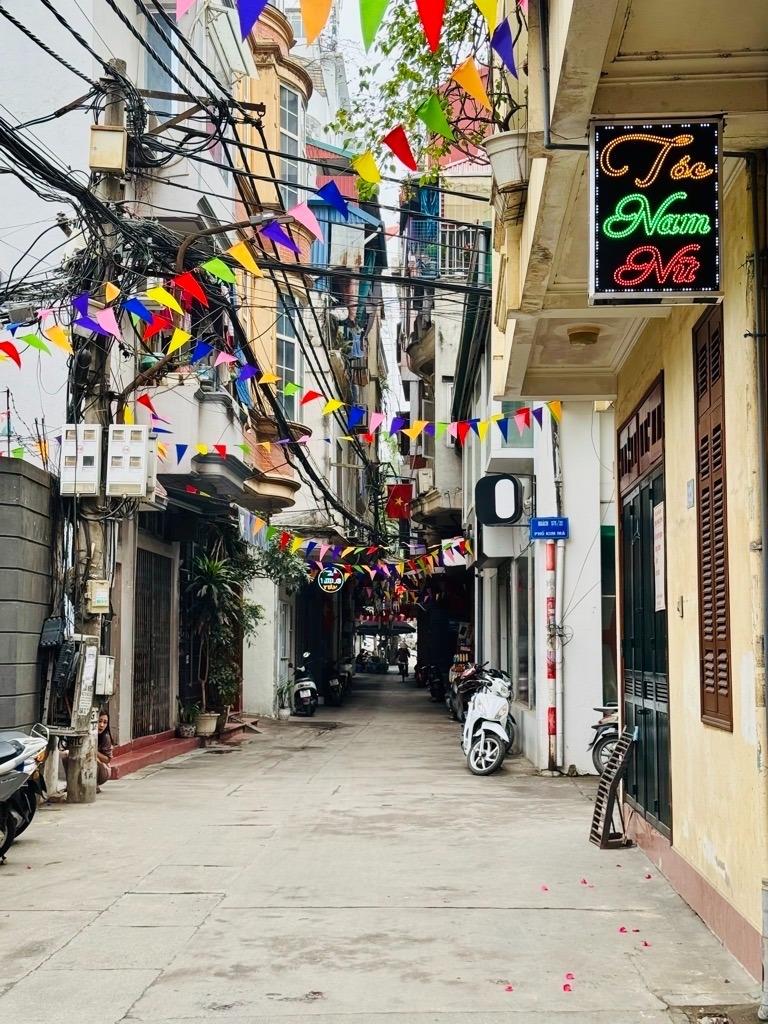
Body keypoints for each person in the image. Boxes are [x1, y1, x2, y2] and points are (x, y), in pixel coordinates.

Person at [96, 708, 113, 790]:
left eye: (105, 722)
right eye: (99, 721)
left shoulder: (106, 737)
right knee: (66, 754)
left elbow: (108, 759)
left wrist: (93, 751)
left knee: (92, 758)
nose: (102, 725)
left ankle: (94, 784)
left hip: (103, 771)